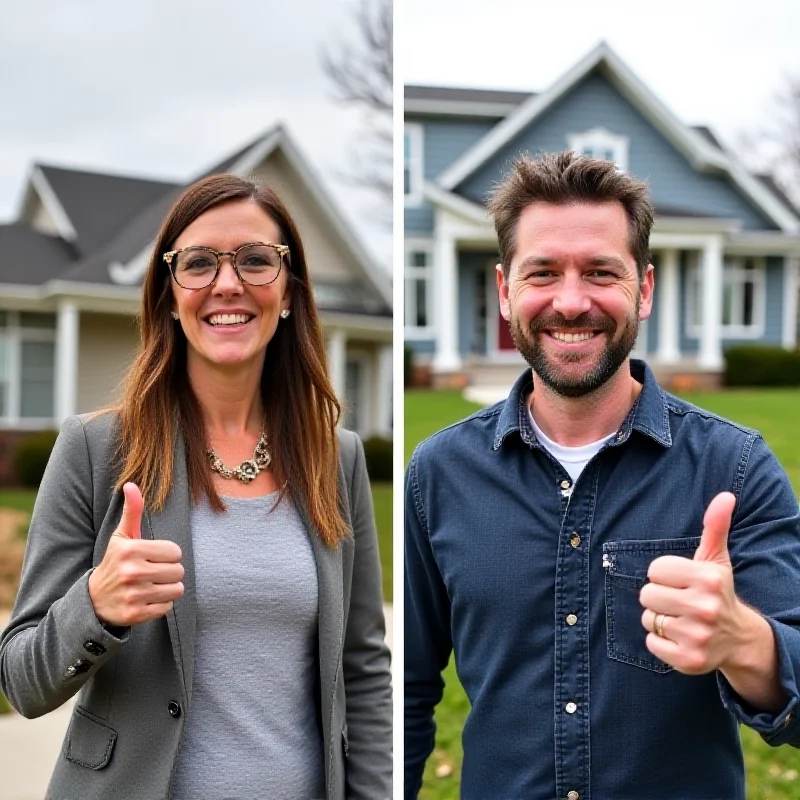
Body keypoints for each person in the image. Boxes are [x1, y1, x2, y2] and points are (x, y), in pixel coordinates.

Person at [404, 151, 800, 800]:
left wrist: (744, 640)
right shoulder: (437, 476)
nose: (570, 301)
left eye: (599, 272)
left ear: (642, 290)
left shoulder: (734, 469)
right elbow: (409, 691)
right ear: (504, 291)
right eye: (543, 273)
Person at [0, 174, 392, 800]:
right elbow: (21, 680)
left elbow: (363, 668)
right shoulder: (95, 451)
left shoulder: (335, 459)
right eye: (200, 263)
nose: (228, 283)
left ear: (288, 292)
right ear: (169, 295)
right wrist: (96, 606)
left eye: (257, 261)